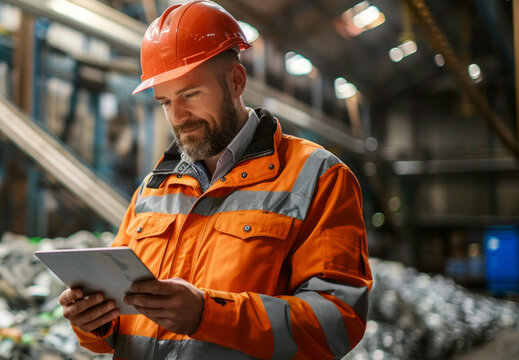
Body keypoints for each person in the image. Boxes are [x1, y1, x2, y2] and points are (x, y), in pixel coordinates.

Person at [58, 1, 372, 359]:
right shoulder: (154, 186)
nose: (178, 116)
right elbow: (118, 325)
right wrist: (92, 320)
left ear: (236, 81)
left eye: (190, 94)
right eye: (165, 101)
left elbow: (337, 323)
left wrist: (208, 314)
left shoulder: (318, 177)